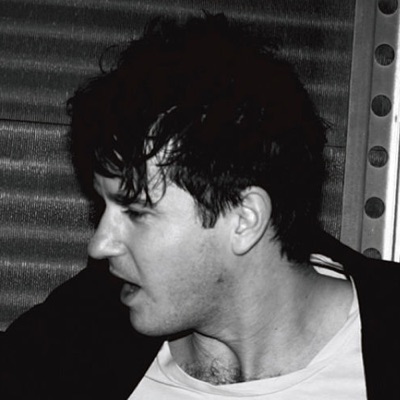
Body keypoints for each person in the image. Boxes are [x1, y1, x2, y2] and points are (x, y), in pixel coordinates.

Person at [1, 13, 399, 400]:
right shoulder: (70, 341)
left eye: (136, 212)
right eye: (103, 205)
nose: (99, 244)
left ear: (244, 219)